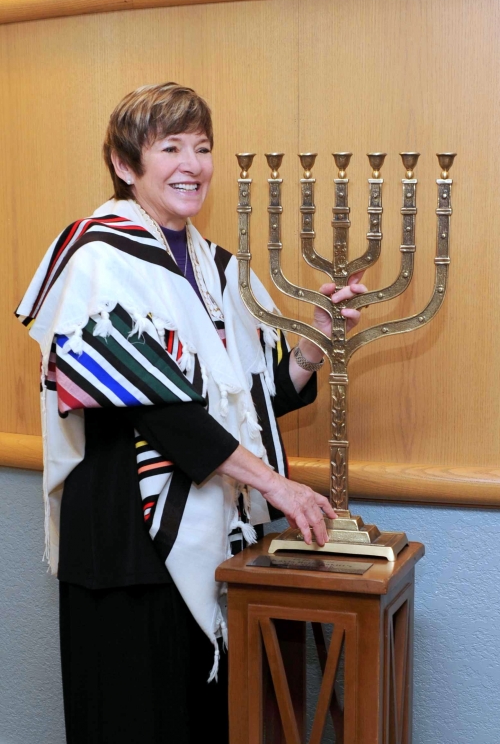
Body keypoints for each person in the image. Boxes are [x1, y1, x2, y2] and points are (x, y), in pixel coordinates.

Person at [16, 82, 366, 744]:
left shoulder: (219, 270)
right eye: (169, 146)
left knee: (201, 720)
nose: (192, 164)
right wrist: (275, 483)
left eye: (201, 147)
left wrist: (316, 341)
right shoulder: (98, 259)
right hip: (125, 546)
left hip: (211, 537)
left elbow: (261, 395)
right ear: (126, 166)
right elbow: (162, 409)